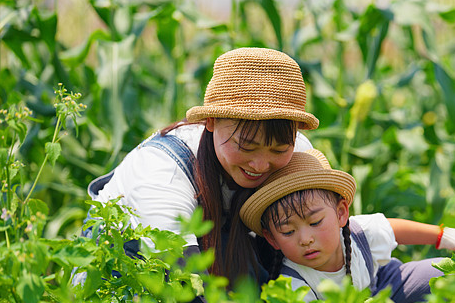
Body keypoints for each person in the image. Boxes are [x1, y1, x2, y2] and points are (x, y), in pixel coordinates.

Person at [83, 47, 318, 289]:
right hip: (127, 270)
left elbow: (327, 243)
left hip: (218, 258)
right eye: (246, 147)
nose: (259, 165)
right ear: (211, 122)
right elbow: (183, 283)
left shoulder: (298, 152)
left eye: (278, 150)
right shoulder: (164, 170)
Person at [239, 149, 455, 303]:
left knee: (440, 274)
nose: (305, 239)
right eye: (288, 231)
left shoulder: (358, 232)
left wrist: (448, 237)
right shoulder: (293, 282)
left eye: (315, 223)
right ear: (272, 239)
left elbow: (394, 228)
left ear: (341, 213)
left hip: (383, 286)